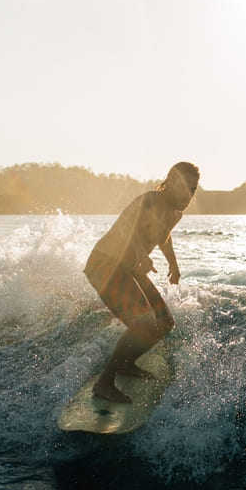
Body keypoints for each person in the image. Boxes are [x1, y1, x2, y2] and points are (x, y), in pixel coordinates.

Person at [83, 161, 200, 403]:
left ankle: (126, 364)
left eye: (192, 189)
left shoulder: (176, 213)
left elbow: (164, 237)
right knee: (144, 322)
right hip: (105, 264)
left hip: (128, 269)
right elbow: (126, 227)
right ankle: (104, 383)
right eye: (182, 187)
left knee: (164, 323)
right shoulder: (148, 201)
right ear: (169, 182)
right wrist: (139, 252)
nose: (187, 195)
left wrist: (173, 264)